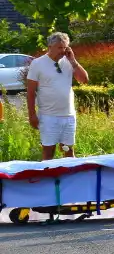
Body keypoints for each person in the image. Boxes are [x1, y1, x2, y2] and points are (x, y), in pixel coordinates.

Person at [25, 32, 89, 161]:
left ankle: (70, 180)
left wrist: (73, 61)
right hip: (48, 116)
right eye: (60, 47)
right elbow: (31, 92)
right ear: (50, 46)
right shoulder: (38, 63)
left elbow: (84, 80)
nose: (63, 50)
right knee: (49, 154)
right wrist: (32, 114)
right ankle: (47, 180)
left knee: (69, 153)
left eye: (65, 47)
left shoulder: (69, 61)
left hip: (68, 116)